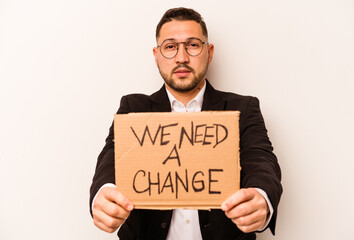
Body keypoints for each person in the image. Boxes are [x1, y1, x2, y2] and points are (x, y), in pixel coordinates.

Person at [90, 7, 282, 240]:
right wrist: (104, 192)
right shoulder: (133, 107)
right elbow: (111, 159)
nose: (181, 57)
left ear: (209, 53)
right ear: (156, 55)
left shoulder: (243, 108)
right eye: (170, 47)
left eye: (192, 45)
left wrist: (261, 196)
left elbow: (261, 159)